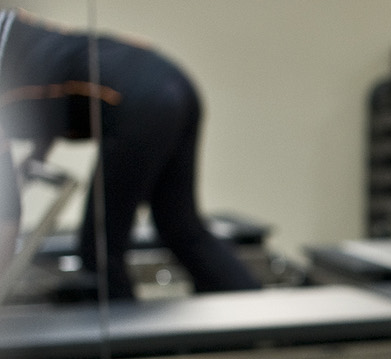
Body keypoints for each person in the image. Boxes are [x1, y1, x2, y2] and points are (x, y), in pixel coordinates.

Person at [0, 7, 260, 297]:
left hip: (140, 103)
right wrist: (37, 154)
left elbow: (6, 210)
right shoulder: (17, 33)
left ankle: (123, 332)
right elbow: (49, 88)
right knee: (180, 227)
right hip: (172, 84)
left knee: (100, 253)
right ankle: (258, 319)